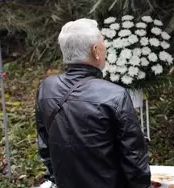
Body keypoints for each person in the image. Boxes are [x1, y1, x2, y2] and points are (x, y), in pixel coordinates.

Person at [35, 18, 151, 188]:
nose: (106, 48)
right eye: (103, 43)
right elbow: (133, 157)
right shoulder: (114, 94)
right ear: (96, 51)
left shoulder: (46, 88)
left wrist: (56, 178)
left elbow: (45, 146)